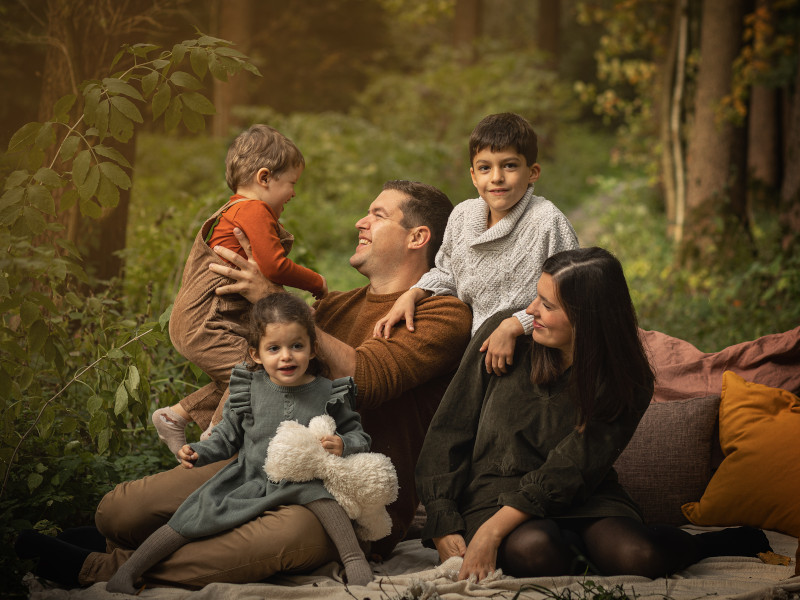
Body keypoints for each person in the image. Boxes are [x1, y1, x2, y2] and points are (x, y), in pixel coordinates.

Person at [14, 181, 472, 590]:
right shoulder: (334, 307)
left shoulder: (443, 314)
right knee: (117, 512)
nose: (361, 221)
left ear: (418, 237)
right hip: (257, 466)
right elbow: (264, 373)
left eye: (377, 214)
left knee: (282, 538)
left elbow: (366, 381)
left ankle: (99, 568)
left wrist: (276, 300)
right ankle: (120, 544)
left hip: (340, 498)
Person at [415, 247, 771, 583]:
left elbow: (573, 468)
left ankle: (703, 545)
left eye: (547, 305)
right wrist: (443, 519)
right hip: (493, 493)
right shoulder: (504, 337)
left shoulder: (626, 379)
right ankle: (576, 549)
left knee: (639, 557)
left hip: (581, 494)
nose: (530, 311)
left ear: (588, 319)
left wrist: (492, 534)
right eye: (536, 296)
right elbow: (448, 430)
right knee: (535, 549)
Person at [102, 292, 374, 593]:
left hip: (303, 479)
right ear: (256, 354)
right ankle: (128, 571)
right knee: (194, 514)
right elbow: (226, 436)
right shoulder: (249, 388)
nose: (287, 356)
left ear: (312, 349)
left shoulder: (328, 392)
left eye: (297, 346)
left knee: (328, 503)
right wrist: (199, 452)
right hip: (248, 475)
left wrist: (342, 443)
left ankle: (354, 560)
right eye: (274, 348)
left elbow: (358, 435)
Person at [152, 124, 327, 457]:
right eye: (291, 183)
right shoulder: (253, 210)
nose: (293, 193)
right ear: (264, 178)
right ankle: (215, 439)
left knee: (235, 374)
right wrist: (317, 282)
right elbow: (274, 266)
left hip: (199, 321)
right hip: (207, 323)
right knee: (257, 370)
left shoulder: (231, 210)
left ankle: (175, 415)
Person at [374, 113, 578, 376]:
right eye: (485, 168)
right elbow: (448, 273)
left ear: (533, 172)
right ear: (473, 175)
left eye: (510, 166)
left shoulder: (547, 222)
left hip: (535, 352)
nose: (496, 177)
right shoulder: (462, 216)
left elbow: (571, 298)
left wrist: (515, 325)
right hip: (475, 350)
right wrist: (413, 293)